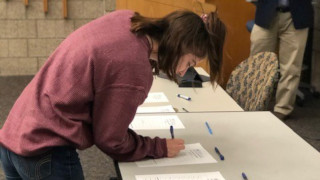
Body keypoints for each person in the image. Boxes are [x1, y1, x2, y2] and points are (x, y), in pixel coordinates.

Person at [0, 10, 226, 179]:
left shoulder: (128, 19)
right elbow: (110, 140)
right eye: (190, 62)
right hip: (44, 153)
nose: (184, 72)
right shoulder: (134, 68)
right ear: (178, 45)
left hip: (13, 135)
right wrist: (158, 147)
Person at [249, 0, 313, 120]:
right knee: (258, 63)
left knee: (291, 67)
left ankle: (282, 109)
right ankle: (254, 103)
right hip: (266, 11)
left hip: (297, 15)